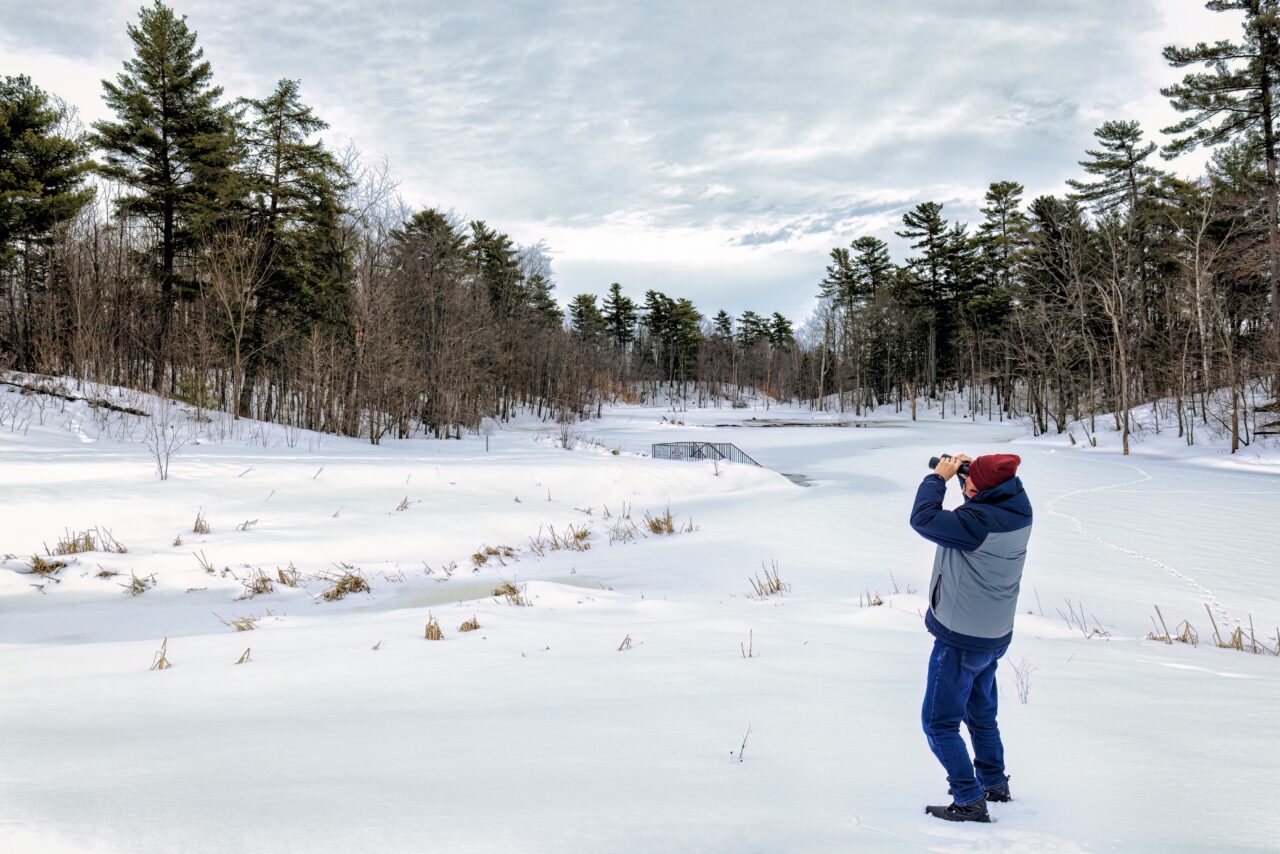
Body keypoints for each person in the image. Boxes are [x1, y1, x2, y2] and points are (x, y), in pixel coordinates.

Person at [909, 452, 1031, 823]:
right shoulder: (1018, 507)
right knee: (980, 713)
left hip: (961, 636)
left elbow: (924, 519)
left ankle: (969, 799)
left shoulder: (975, 523)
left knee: (938, 722)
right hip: (994, 633)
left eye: (971, 482)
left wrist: (937, 479)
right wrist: (971, 477)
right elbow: (980, 505)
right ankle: (993, 783)